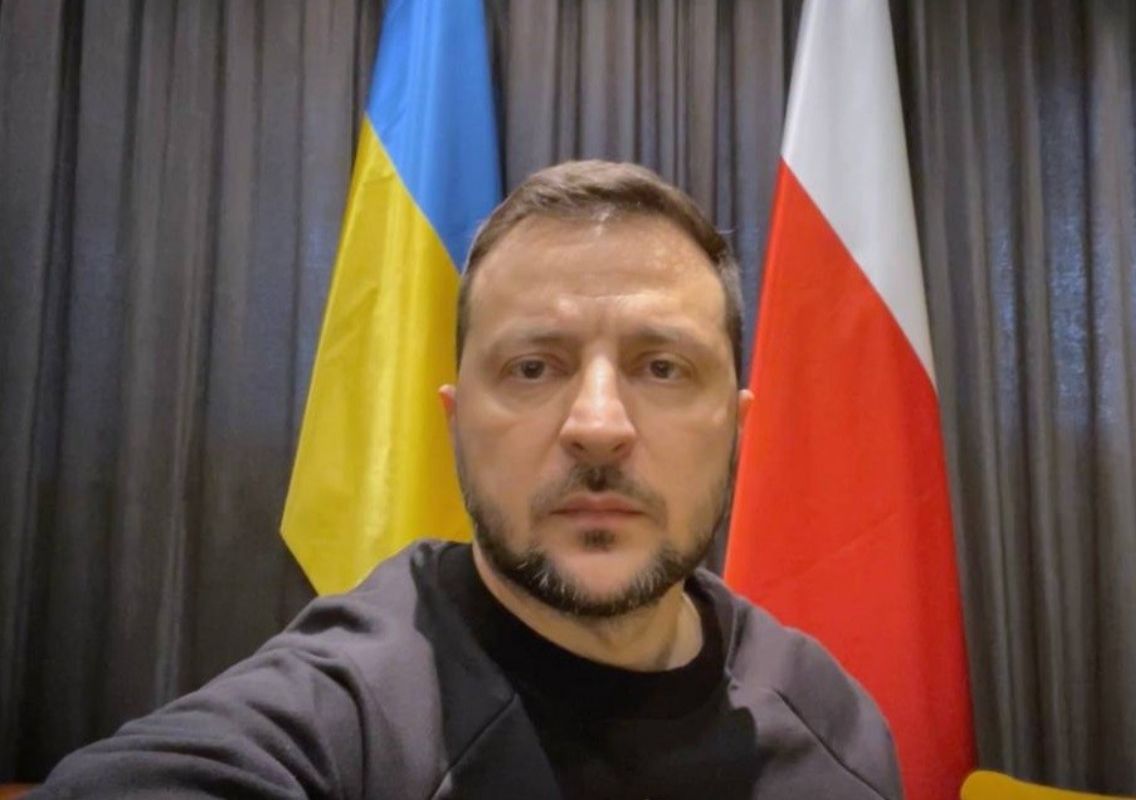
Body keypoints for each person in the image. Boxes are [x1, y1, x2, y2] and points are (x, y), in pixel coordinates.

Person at [32, 161, 901, 799]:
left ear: (736, 432)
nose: (598, 424)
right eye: (532, 367)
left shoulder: (839, 731)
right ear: (455, 426)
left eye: (663, 367)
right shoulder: (347, 715)